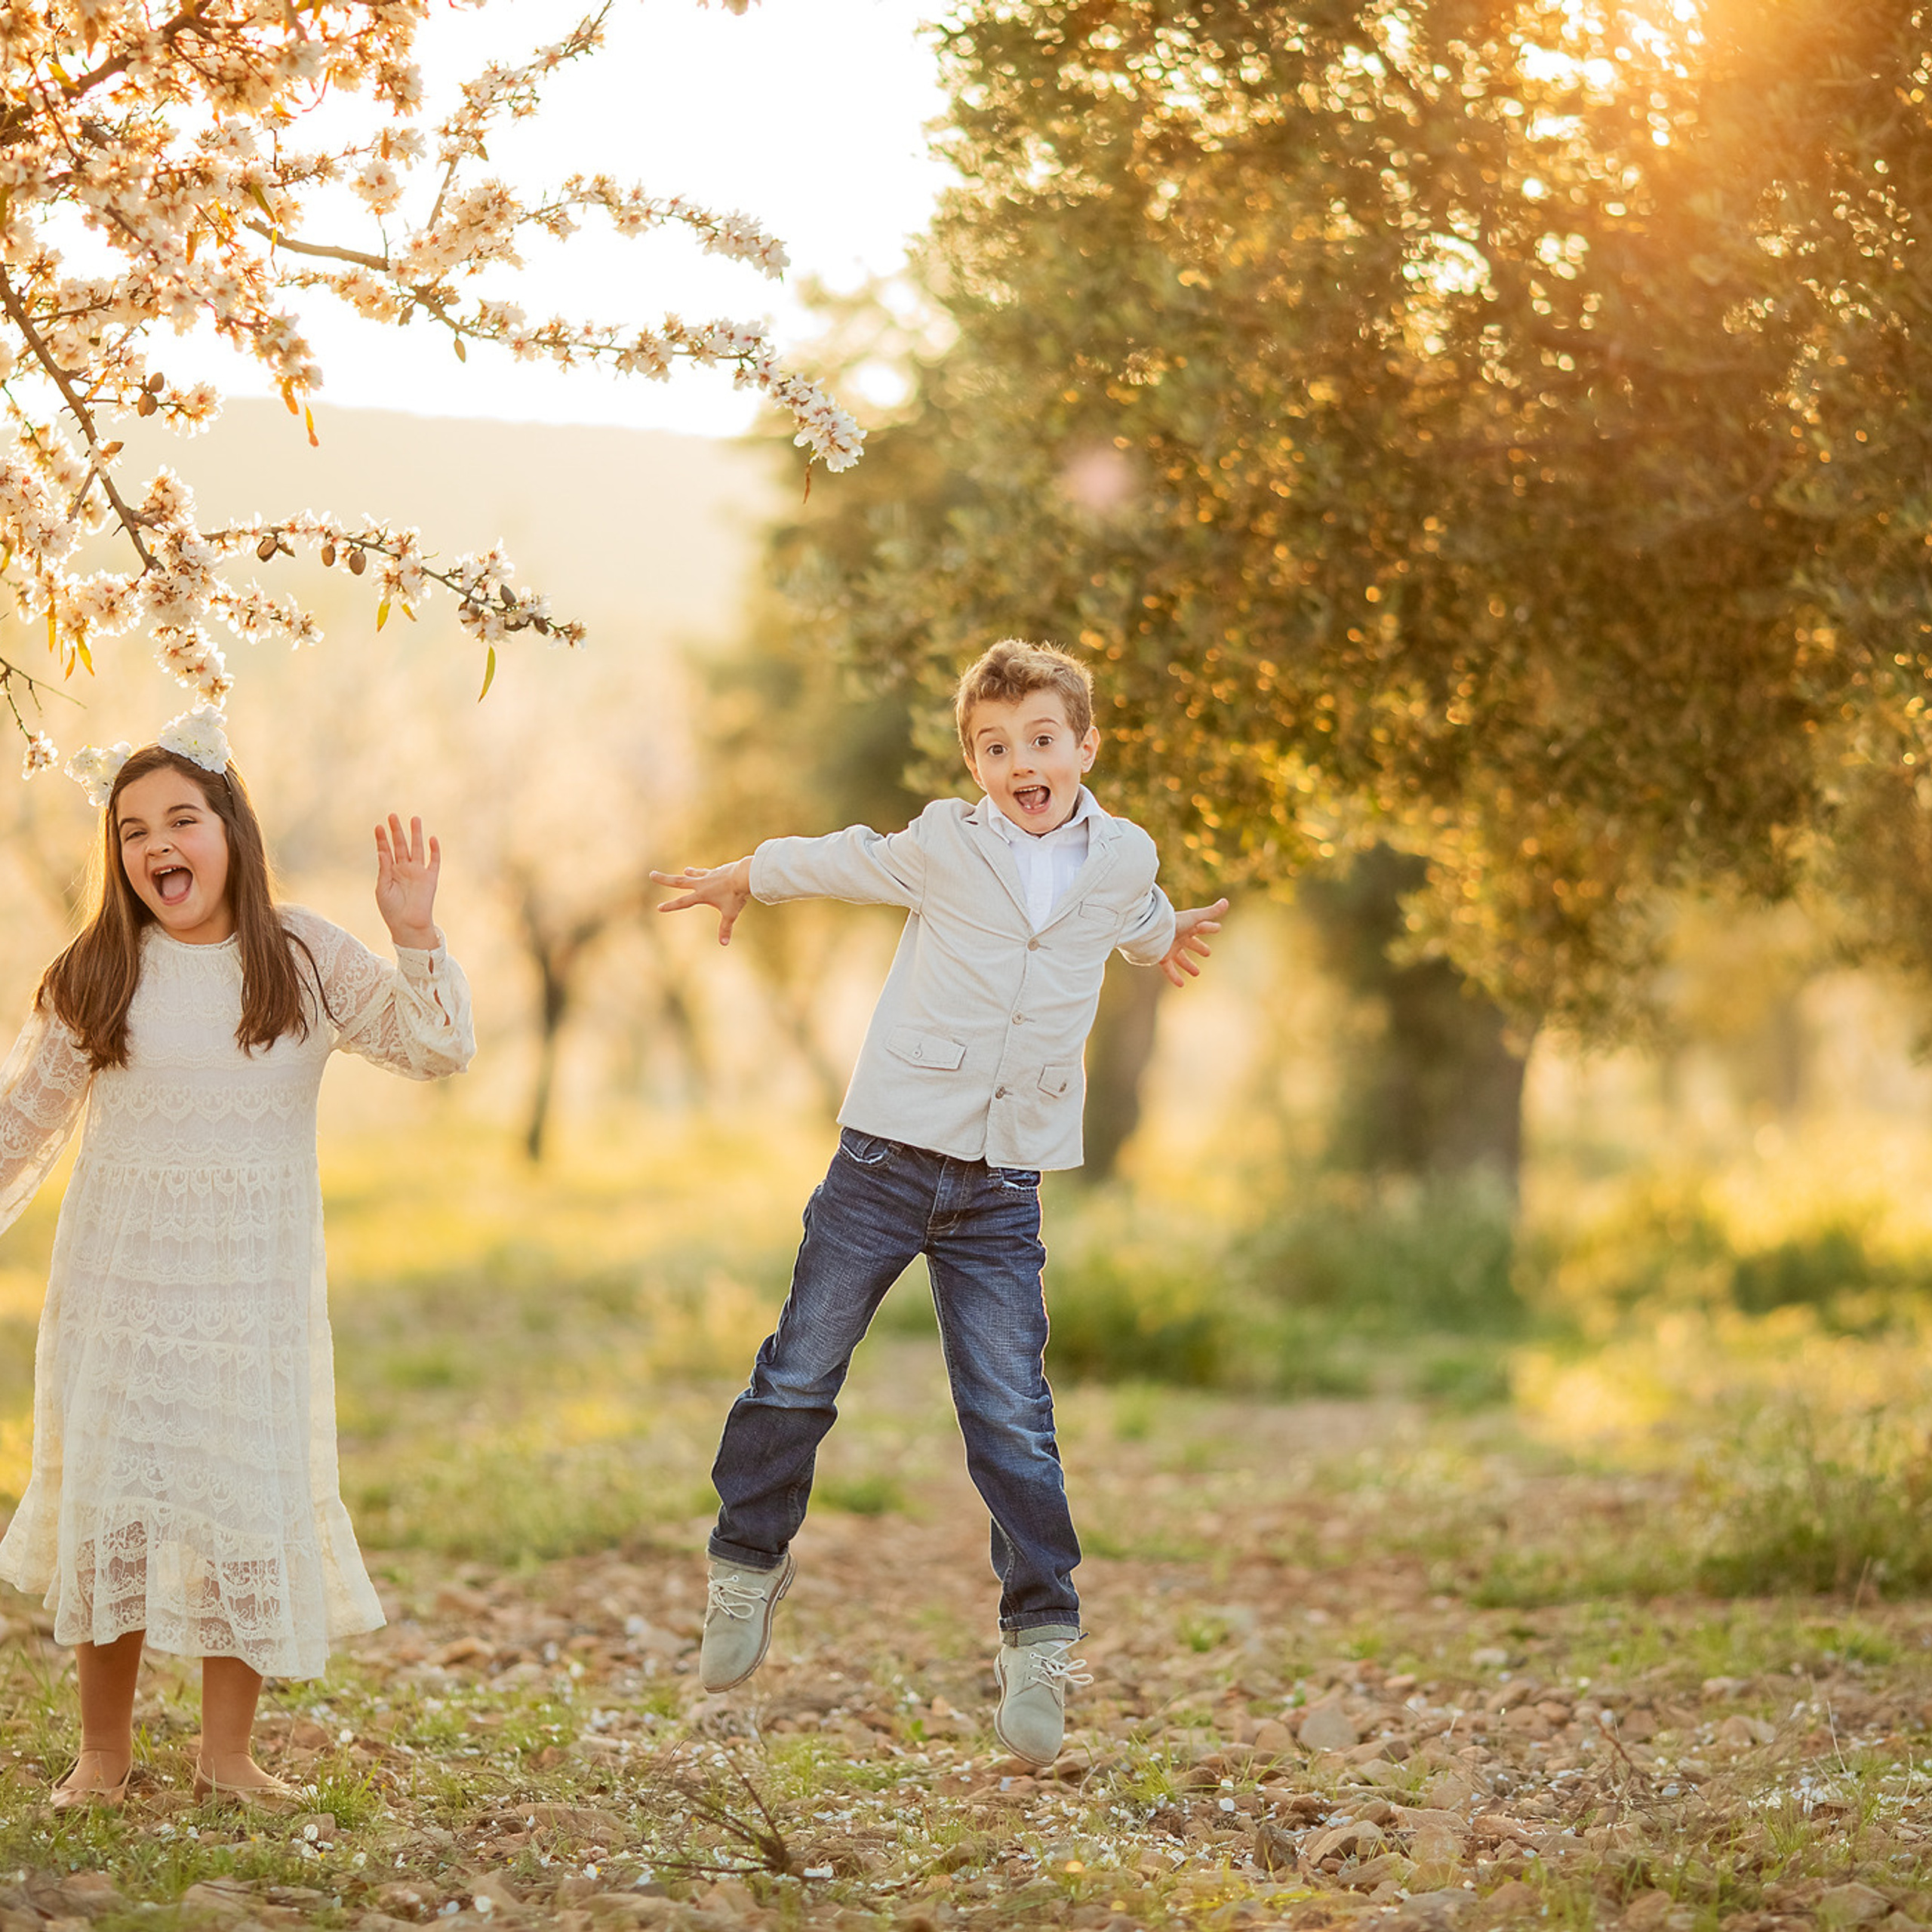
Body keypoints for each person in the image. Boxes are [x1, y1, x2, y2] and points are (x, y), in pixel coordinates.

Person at [653, 638, 1227, 1765]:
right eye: (996, 746)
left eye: (1042, 742)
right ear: (973, 761)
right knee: (800, 1367)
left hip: (1006, 1184)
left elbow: (1139, 915)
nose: (1023, 762)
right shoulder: (940, 848)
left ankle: (1040, 1634)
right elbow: (838, 859)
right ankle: (746, 1566)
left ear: (1084, 748)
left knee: (1010, 1412)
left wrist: (1167, 944)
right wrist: (748, 873)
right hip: (885, 1163)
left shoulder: (1123, 857)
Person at [0, 704, 474, 1808]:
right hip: (121, 1290)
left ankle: (226, 1758)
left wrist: (414, 932)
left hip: (249, 1297)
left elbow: (438, 1046)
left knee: (240, 1507)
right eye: (132, 831)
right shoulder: (99, 970)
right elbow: (22, 1122)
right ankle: (103, 1755)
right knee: (114, 1504)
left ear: (232, 830)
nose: (157, 845)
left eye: (181, 819)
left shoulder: (303, 957)